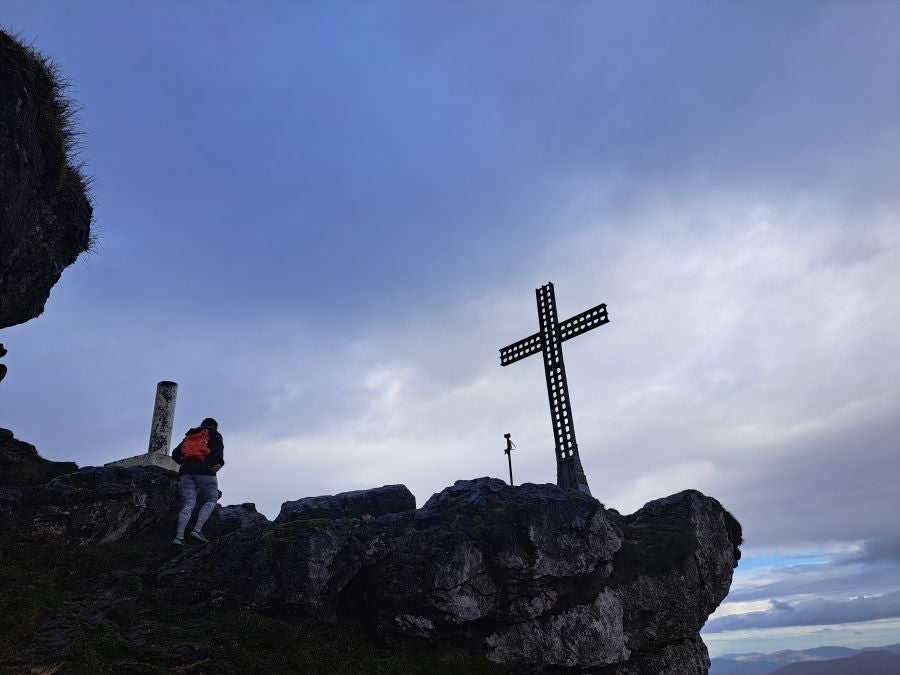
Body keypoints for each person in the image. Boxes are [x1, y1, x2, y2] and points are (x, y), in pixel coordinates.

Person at [171, 417, 224, 546]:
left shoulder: (190, 435)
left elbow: (175, 453)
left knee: (189, 503)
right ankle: (197, 530)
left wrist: (185, 464)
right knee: (211, 499)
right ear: (215, 427)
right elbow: (217, 455)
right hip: (205, 473)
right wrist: (219, 464)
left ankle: (179, 537)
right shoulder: (215, 434)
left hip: (186, 472)